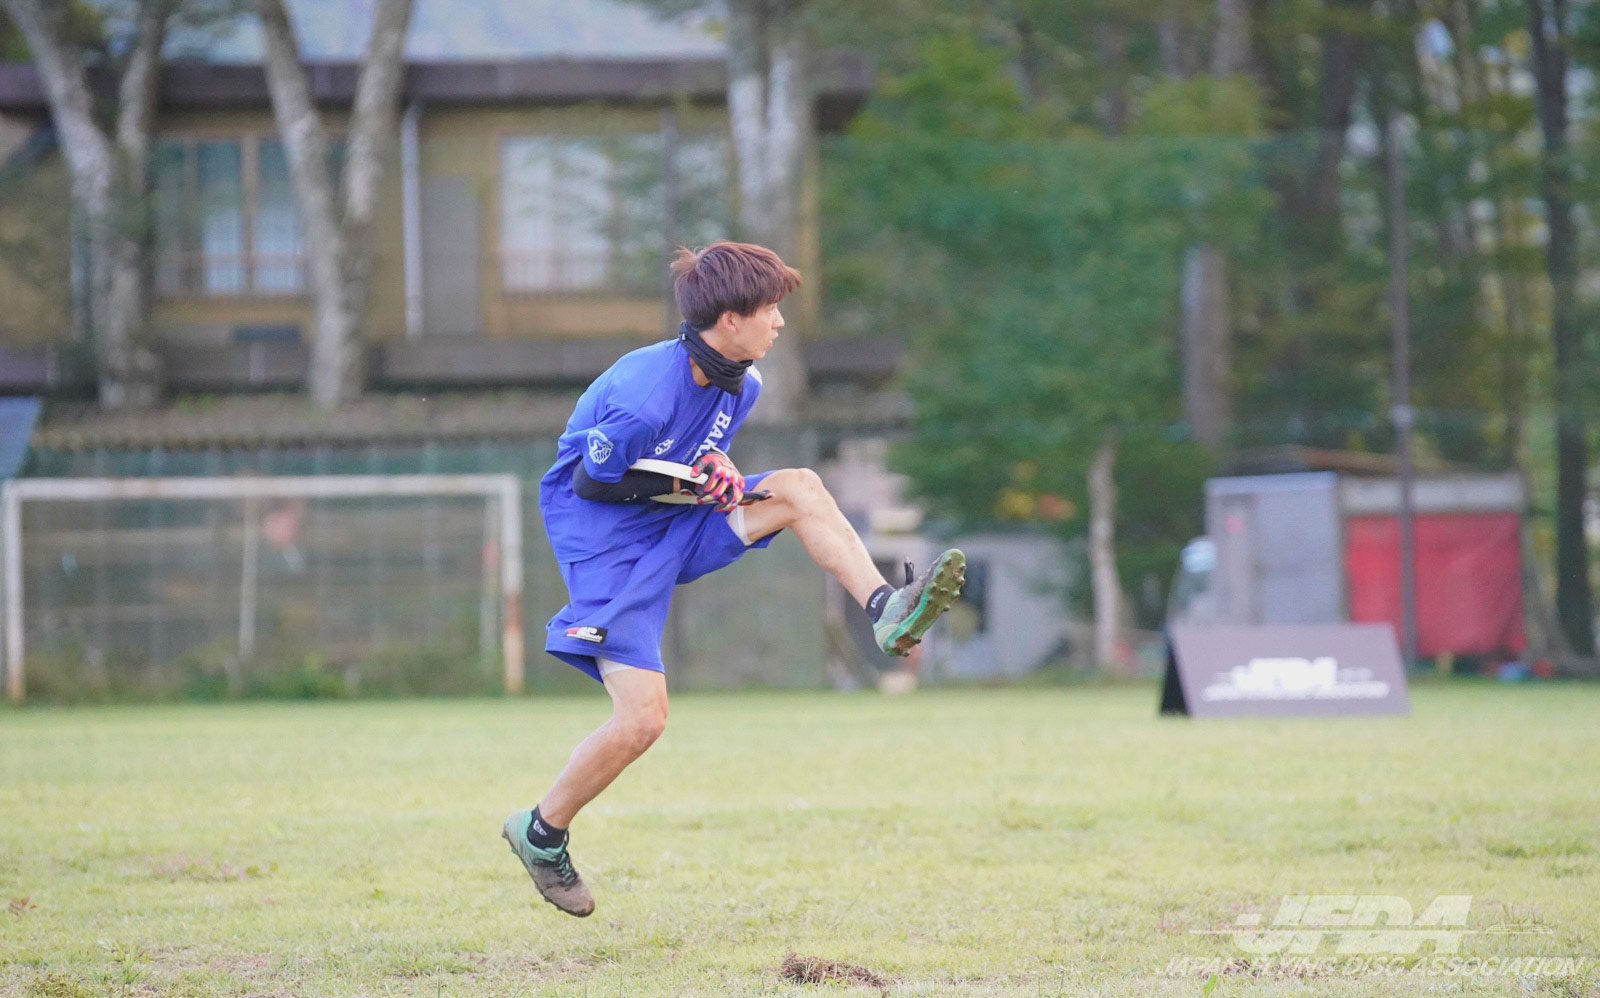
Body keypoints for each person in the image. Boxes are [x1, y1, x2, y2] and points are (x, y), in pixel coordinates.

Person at [502, 241, 965, 917]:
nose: (779, 322)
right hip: (607, 549)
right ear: (729, 319)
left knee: (799, 487)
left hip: (674, 520)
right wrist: (697, 480)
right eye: (770, 309)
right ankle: (541, 833)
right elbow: (591, 483)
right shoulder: (644, 394)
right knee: (643, 721)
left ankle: (884, 607)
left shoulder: (742, 384)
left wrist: (714, 465)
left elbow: (695, 454)